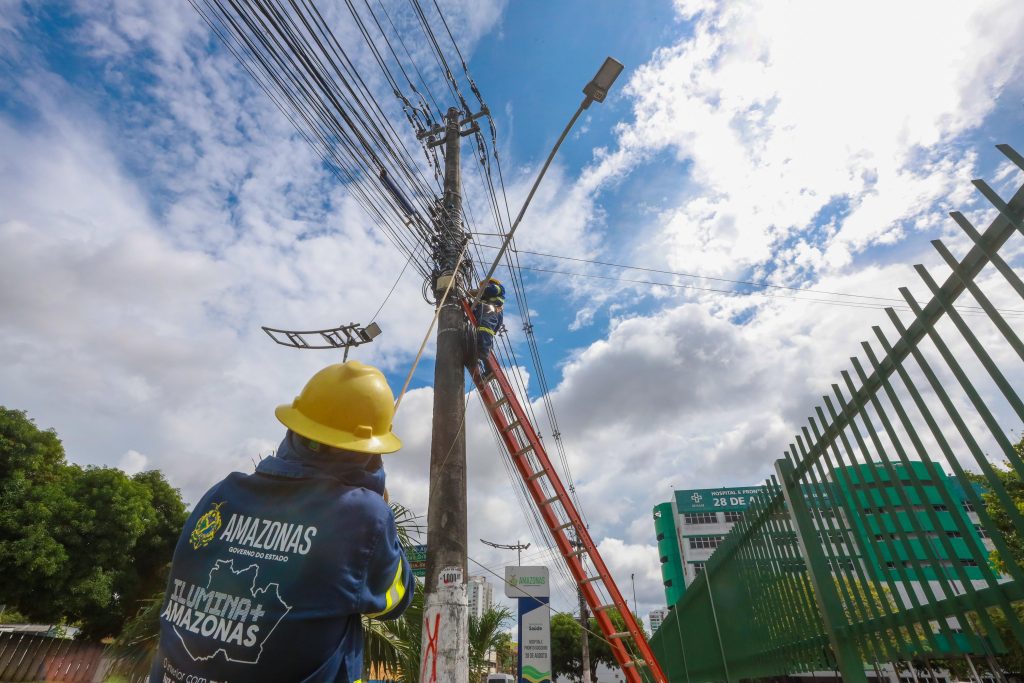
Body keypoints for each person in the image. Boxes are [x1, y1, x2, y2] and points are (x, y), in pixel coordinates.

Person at [149, 361, 414, 683]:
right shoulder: (363, 515)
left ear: (294, 429)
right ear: (367, 453)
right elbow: (391, 601)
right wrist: (374, 492)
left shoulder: (220, 494)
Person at [470, 276, 506, 376]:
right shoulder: (482, 300)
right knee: (480, 337)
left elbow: (492, 290)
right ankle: (487, 366)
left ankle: (486, 360)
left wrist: (478, 291)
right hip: (486, 314)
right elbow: (474, 309)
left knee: (484, 332)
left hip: (491, 313)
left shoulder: (497, 287)